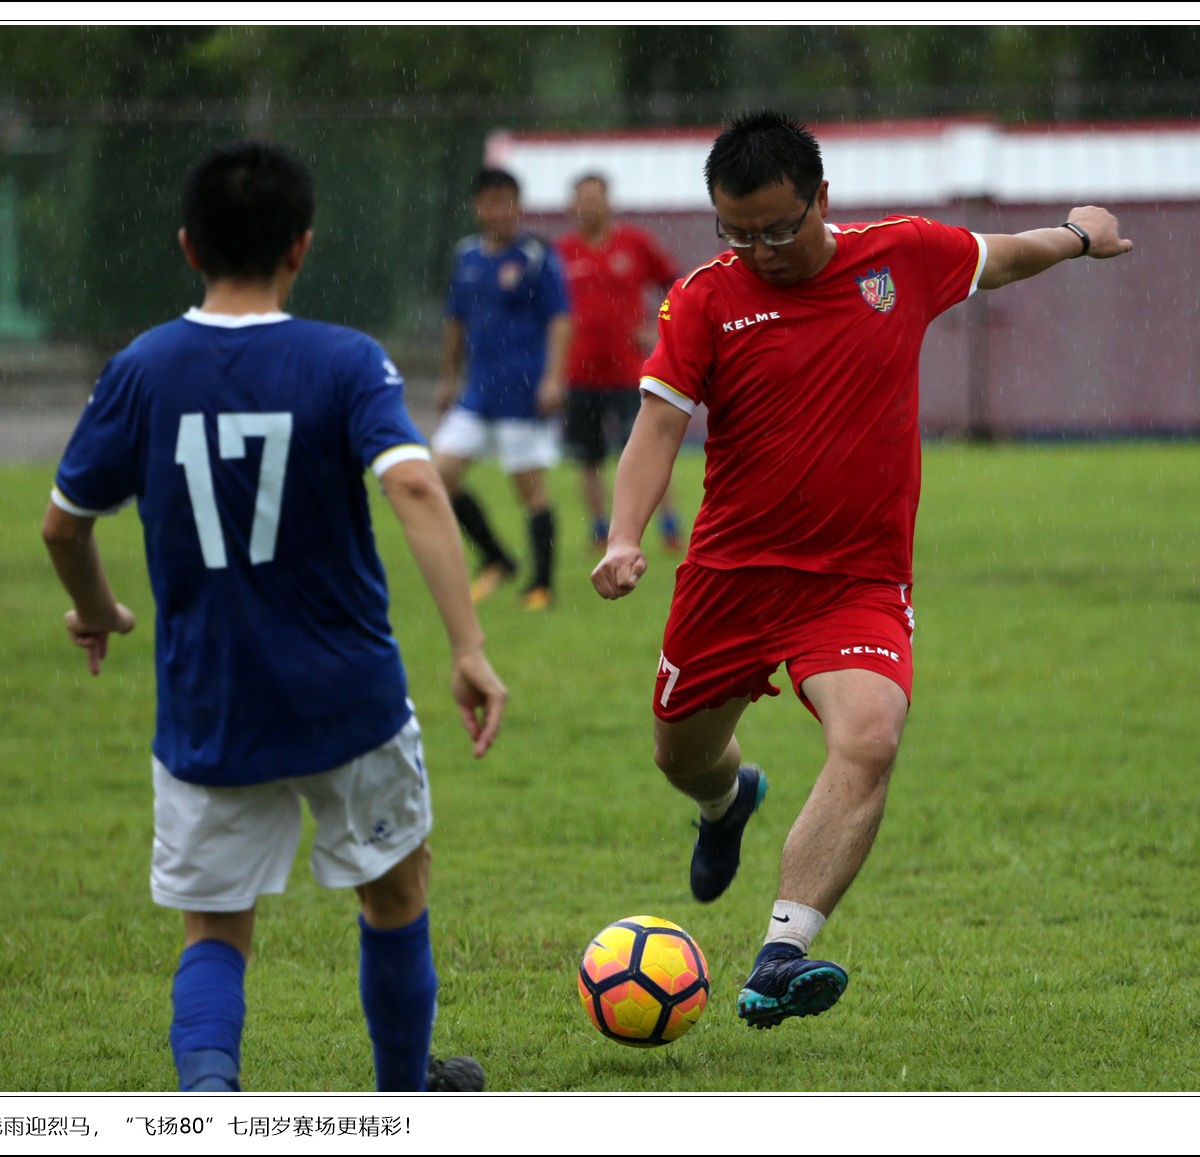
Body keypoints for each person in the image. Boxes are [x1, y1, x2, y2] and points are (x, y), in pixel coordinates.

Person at [590, 111, 1132, 1029]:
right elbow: (658, 422)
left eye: (776, 226)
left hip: (854, 580)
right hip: (731, 575)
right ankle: (727, 802)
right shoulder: (704, 298)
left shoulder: (902, 258)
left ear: (821, 199)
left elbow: (1002, 254)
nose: (758, 248)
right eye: (736, 230)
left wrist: (1080, 237)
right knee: (680, 756)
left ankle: (780, 953)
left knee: (872, 735)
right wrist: (622, 534)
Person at [41, 140, 507, 1093]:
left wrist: (99, 609)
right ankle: (400, 1095)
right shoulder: (343, 360)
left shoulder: (143, 368)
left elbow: (62, 525)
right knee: (394, 890)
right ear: (302, 246)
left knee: (216, 927)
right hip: (347, 696)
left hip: (211, 699)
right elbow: (416, 485)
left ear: (186, 246)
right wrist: (468, 647)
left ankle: (210, 1102)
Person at [432, 167, 572, 611]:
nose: (499, 212)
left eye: (506, 202)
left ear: (519, 206)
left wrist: (553, 377)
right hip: (477, 393)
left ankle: (542, 585)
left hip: (524, 391)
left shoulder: (536, 258)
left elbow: (561, 320)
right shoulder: (467, 256)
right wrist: (448, 376)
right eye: (490, 202)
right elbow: (455, 320)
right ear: (478, 207)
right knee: (439, 475)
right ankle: (496, 557)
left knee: (529, 489)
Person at [557, 173, 686, 552]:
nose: (591, 206)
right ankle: (599, 529)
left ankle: (669, 526)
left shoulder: (635, 243)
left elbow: (678, 288)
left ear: (609, 202)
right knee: (588, 457)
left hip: (630, 370)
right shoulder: (561, 252)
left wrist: (660, 328)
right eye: (584, 199)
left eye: (597, 198)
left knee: (650, 449)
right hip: (579, 372)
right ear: (573, 206)